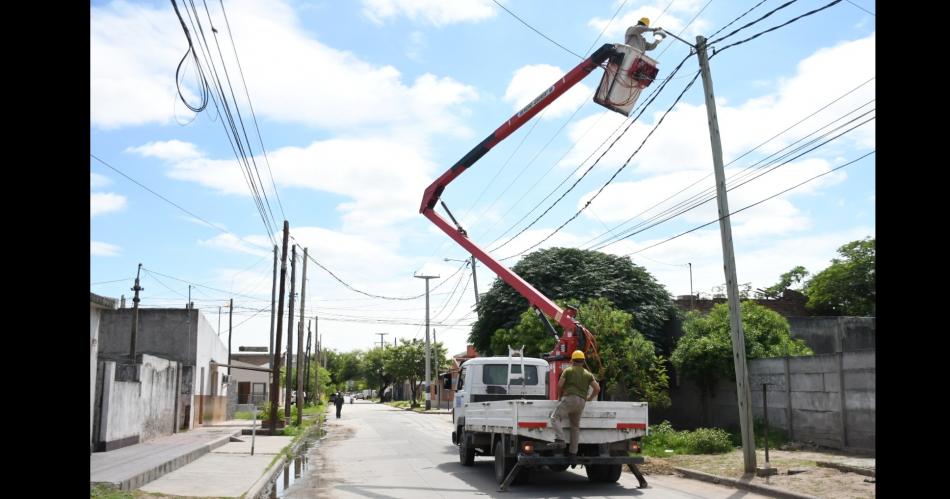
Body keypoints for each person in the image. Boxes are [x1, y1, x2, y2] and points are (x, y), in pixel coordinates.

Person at [550, 350, 600, 460]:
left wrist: (559, 398)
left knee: (555, 417)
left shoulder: (568, 371)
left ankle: (560, 440)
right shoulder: (588, 374)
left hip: (570, 399)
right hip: (581, 402)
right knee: (575, 427)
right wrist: (589, 398)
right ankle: (573, 453)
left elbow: (559, 385)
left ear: (572, 360)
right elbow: (597, 388)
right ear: (583, 361)